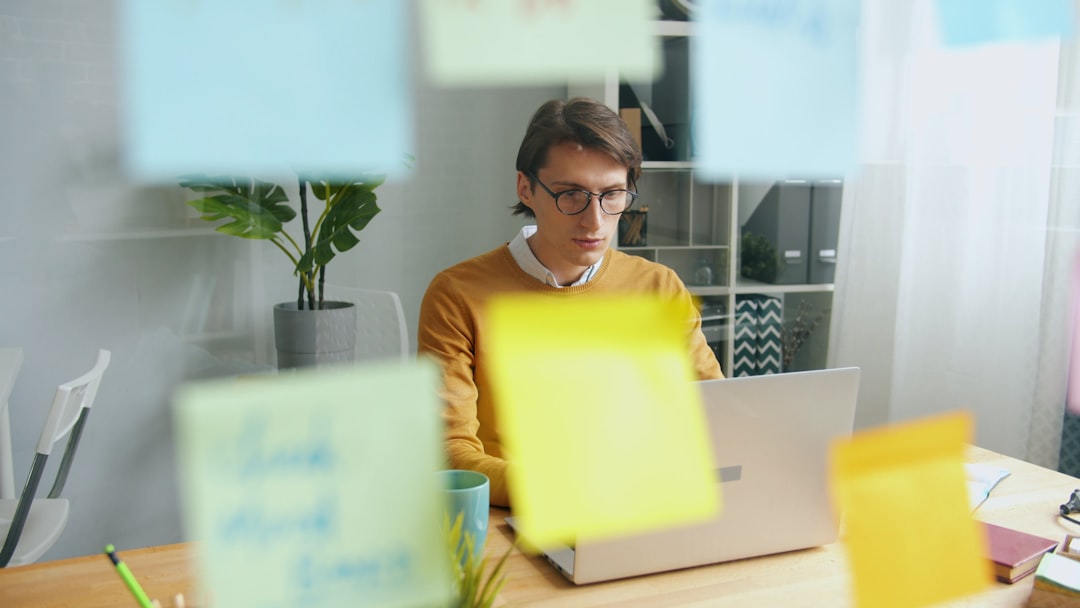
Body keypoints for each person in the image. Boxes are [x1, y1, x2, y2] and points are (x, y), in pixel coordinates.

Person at [418, 97, 723, 507]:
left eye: (612, 194)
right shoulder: (457, 296)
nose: (594, 220)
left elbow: (716, 416)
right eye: (570, 195)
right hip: (519, 523)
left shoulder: (659, 288)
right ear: (525, 187)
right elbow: (452, 454)